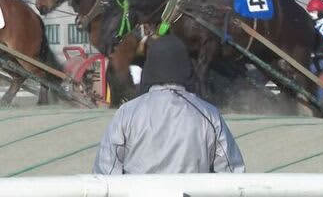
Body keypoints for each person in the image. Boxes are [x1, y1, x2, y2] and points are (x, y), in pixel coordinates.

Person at [92, 34, 245, 174]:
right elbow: (232, 172)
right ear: (187, 67)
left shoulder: (126, 113)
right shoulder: (209, 114)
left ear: (150, 67)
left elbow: (106, 171)